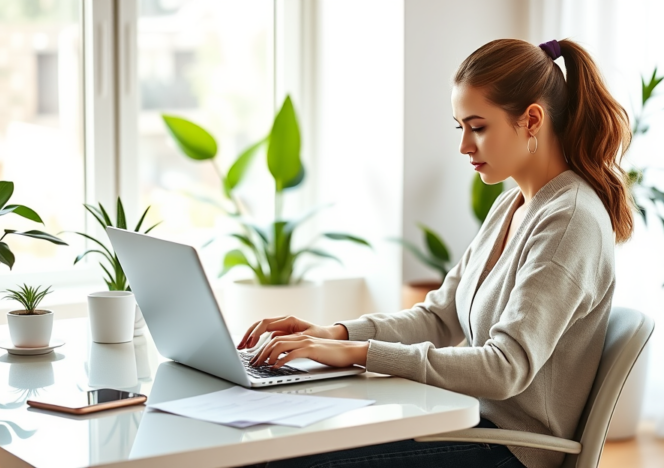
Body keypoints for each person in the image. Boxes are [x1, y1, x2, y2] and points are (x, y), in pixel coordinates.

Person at [238, 38, 634, 468]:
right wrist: (334, 334)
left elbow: (505, 367)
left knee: (288, 462)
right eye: (459, 127)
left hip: (510, 451)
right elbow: (438, 317)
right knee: (284, 446)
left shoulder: (569, 222)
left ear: (532, 120)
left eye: (478, 127)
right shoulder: (513, 205)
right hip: (467, 424)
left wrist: (359, 354)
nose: (464, 145)